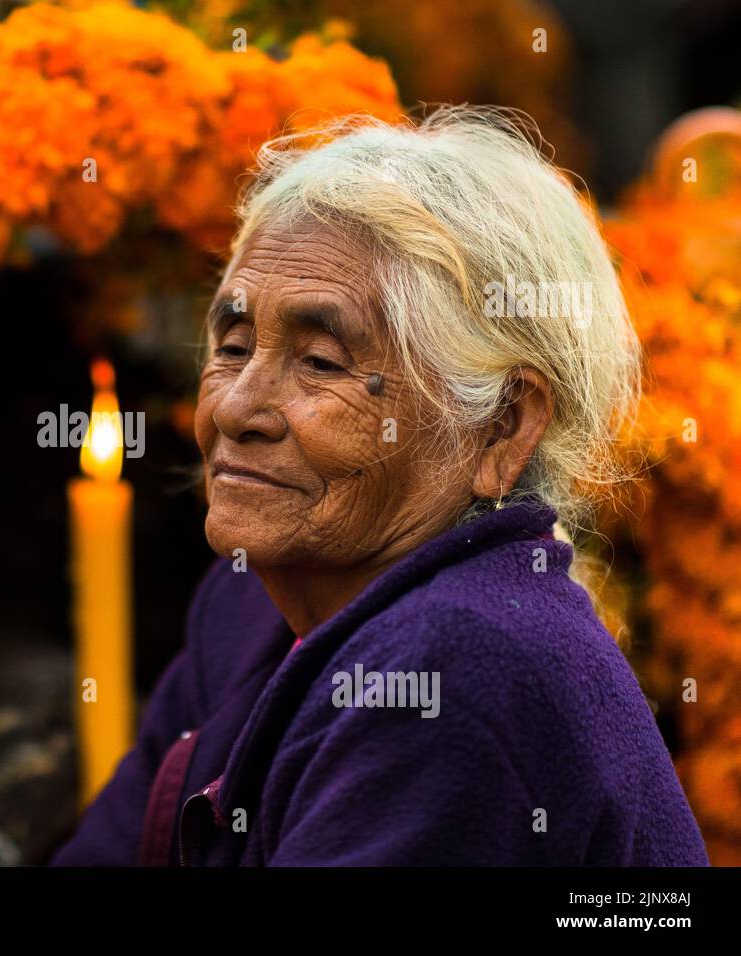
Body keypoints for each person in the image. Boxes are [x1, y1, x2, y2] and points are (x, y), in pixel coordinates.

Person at [49, 107, 709, 866]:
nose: (233, 408)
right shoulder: (249, 607)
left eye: (322, 363)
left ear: (503, 427)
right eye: (232, 346)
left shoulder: (458, 670)